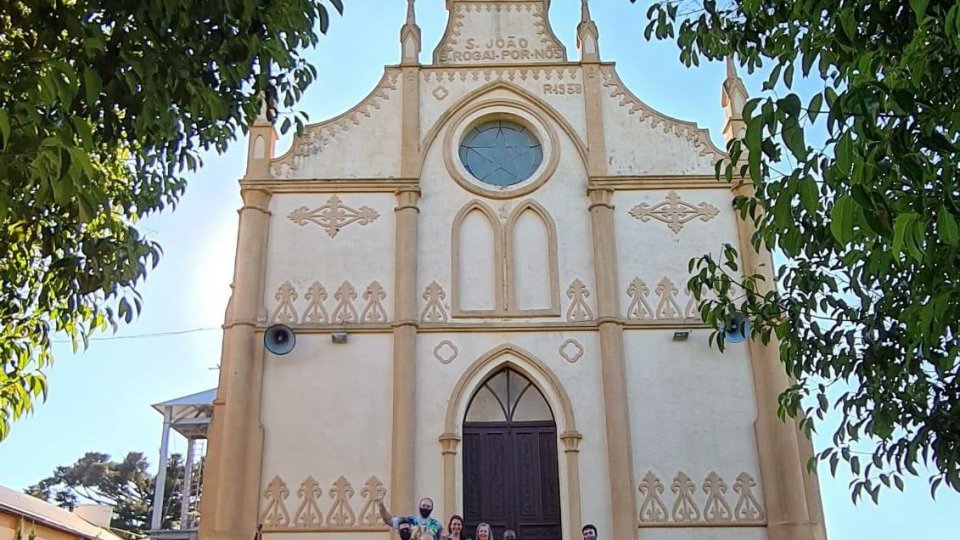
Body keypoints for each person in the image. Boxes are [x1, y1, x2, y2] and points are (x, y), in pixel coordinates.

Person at [376, 494, 444, 540]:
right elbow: (389, 520)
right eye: (423, 505)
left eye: (428, 506)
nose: (425, 508)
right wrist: (381, 505)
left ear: (432, 509)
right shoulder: (409, 520)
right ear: (419, 506)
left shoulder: (437, 524)